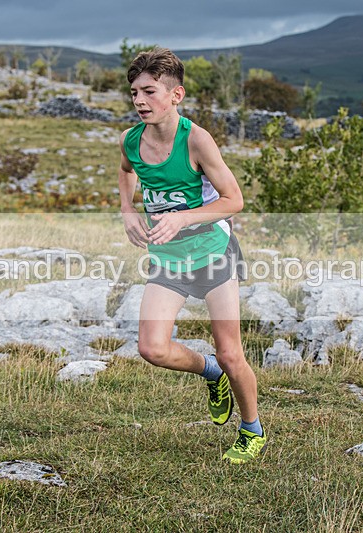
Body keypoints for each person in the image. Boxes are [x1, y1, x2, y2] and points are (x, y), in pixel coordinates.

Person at [117, 47, 266, 464]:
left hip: (213, 252)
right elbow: (126, 171)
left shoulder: (196, 140)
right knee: (152, 348)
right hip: (169, 258)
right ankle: (210, 373)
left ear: (176, 94)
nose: (140, 101)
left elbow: (234, 200)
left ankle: (252, 429)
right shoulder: (131, 140)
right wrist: (128, 209)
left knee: (231, 352)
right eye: (134, 93)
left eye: (149, 92)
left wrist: (182, 218)